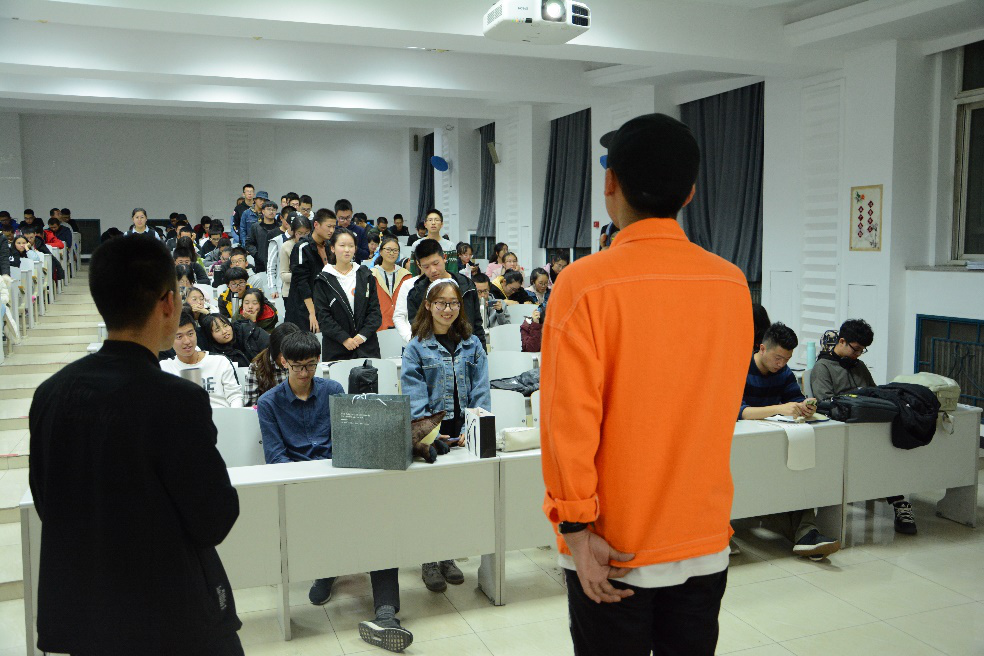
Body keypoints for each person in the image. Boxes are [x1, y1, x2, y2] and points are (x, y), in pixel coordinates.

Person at [540, 113, 755, 655]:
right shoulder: (732, 284)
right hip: (702, 537)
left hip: (613, 545)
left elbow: (568, 423)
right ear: (690, 192)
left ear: (610, 182)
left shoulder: (583, 284)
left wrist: (575, 527)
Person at [28, 235, 243, 655]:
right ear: (168, 303)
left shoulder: (51, 393)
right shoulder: (175, 400)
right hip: (170, 616)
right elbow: (214, 519)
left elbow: (47, 502)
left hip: (85, 615)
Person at [256, 331, 412, 651]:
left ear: (319, 362)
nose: (304, 373)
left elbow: (348, 439)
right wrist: (313, 481)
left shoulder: (333, 390)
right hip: (300, 487)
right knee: (329, 521)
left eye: (311, 365)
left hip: (340, 477)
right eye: (298, 366)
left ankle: (385, 613)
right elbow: (276, 459)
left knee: (380, 522)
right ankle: (326, 571)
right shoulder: (269, 403)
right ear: (284, 363)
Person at [401, 278, 491, 593]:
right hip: (432, 436)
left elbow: (481, 391)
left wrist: (471, 428)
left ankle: (448, 555)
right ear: (428, 306)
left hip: (463, 433)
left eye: (453, 303)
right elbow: (414, 397)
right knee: (429, 499)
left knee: (455, 498)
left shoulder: (472, 343)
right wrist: (431, 436)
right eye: (441, 303)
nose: (447, 309)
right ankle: (428, 559)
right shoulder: (416, 347)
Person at [739, 322, 841, 559]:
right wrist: (779, 408)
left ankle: (808, 535)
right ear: (762, 348)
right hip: (743, 447)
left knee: (797, 479)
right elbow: (739, 411)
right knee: (774, 490)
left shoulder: (783, 373)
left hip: (774, 442)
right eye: (777, 358)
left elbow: (794, 399)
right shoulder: (740, 368)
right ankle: (806, 535)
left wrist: (805, 407)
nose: (781, 364)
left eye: (786, 359)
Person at [812, 320, 915, 534]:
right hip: (842, 429)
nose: (858, 354)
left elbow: (874, 392)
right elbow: (825, 402)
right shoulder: (823, 367)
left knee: (891, 449)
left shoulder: (858, 366)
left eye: (862, 350)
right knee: (877, 454)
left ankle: (900, 502)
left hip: (867, 425)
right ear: (842, 341)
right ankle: (897, 500)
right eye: (856, 349)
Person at [312, 228, 382, 361]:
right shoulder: (323, 280)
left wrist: (361, 336)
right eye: (342, 245)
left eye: (351, 246)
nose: (347, 250)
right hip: (336, 348)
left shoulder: (365, 275)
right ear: (332, 248)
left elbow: (375, 312)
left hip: (366, 347)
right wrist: (344, 338)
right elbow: (323, 317)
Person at [402, 238, 485, 347]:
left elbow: (477, 326)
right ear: (419, 265)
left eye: (436, 263)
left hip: (467, 349)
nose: (433, 270)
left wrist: (482, 352)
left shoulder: (466, 286)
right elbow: (418, 332)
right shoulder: (416, 294)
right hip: (432, 352)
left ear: (444, 258)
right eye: (426, 267)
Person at [161, 310, 244, 408]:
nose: (187, 341)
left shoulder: (220, 361)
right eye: (179, 337)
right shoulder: (164, 368)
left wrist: (233, 414)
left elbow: (235, 396)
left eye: (190, 334)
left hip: (222, 414)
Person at [289, 208, 336, 332]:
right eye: (329, 226)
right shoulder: (302, 247)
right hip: (303, 308)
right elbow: (301, 282)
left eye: (334, 227)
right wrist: (312, 312)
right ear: (316, 224)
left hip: (323, 305)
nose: (332, 230)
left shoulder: (328, 247)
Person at [244, 322, 299, 406]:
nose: (291, 357)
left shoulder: (302, 363)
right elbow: (251, 406)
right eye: (286, 353)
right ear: (275, 349)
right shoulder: (257, 367)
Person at [199, 312, 269, 367]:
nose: (224, 331)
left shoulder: (249, 332)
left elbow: (270, 349)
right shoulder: (213, 356)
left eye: (225, 325)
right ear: (210, 335)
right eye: (217, 330)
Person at [373, 236, 413, 331]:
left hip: (402, 326)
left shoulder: (406, 275)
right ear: (380, 252)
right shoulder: (371, 275)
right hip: (377, 325)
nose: (392, 253)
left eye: (395, 250)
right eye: (388, 250)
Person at [278, 215, 311, 312]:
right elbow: (283, 275)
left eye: (306, 233)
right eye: (299, 233)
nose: (303, 236)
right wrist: (302, 276)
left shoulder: (312, 245)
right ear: (293, 232)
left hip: (309, 291)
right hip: (290, 293)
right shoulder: (286, 246)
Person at [247, 200, 281, 273]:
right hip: (260, 264)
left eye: (274, 210)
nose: (271, 212)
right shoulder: (256, 227)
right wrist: (256, 255)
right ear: (263, 211)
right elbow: (249, 243)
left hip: (278, 262)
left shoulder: (280, 227)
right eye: (268, 209)